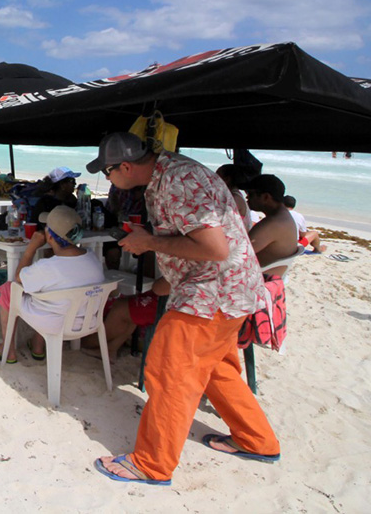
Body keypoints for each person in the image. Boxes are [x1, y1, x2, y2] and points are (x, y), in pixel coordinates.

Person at [89, 132, 279, 486]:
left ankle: (152, 464)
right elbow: (195, 235)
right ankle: (256, 440)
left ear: (125, 167)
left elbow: (215, 249)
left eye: (107, 171)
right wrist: (156, 249)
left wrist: (149, 242)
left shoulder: (178, 181)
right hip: (230, 290)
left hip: (211, 294)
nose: (107, 179)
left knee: (169, 371)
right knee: (217, 369)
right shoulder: (167, 173)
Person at [0, 206, 105, 363]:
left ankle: (8, 350)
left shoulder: (48, 267)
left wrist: (31, 248)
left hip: (55, 324)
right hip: (89, 322)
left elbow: (19, 277)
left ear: (49, 236)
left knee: (8, 289)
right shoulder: (92, 258)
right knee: (49, 295)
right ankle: (38, 346)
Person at [244, 175, 299, 274]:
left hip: (257, 276)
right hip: (271, 274)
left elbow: (239, 254)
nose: (247, 197)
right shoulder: (284, 217)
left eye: (250, 194)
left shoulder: (271, 224)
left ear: (266, 197)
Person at [216, 164, 254, 230]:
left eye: (217, 176)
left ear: (227, 179)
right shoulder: (235, 195)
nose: (214, 179)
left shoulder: (235, 198)